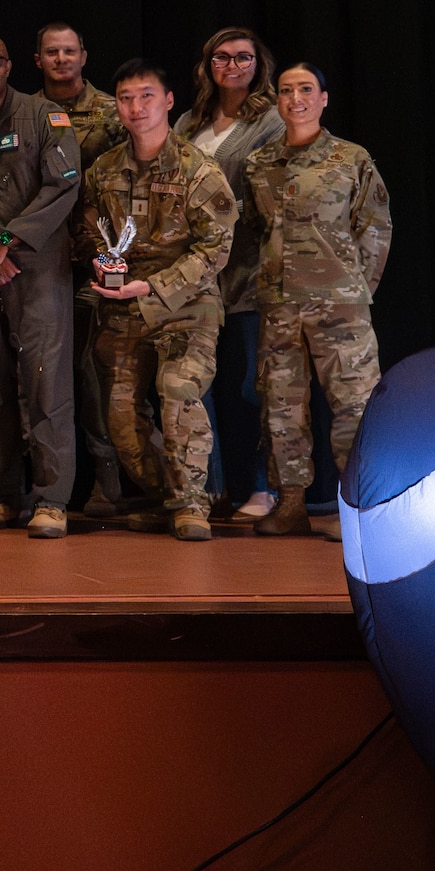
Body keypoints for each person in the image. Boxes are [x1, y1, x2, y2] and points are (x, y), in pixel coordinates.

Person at [76, 60, 236, 542]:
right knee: (121, 420)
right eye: (125, 98)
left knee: (178, 393)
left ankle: (191, 506)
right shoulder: (103, 170)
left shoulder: (198, 170)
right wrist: (100, 263)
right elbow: (88, 231)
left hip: (185, 307)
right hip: (121, 310)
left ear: (168, 102)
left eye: (146, 96)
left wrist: (153, 286)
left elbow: (217, 247)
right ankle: (170, 496)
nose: (135, 106)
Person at [244, 64, 392, 538]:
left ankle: (357, 511)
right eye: (286, 91)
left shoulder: (350, 158)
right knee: (281, 406)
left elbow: (375, 226)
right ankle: (290, 504)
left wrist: (355, 287)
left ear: (323, 98)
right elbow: (254, 232)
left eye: (305, 89)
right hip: (279, 305)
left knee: (355, 404)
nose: (295, 99)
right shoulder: (259, 163)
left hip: (339, 305)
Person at [0, 33, 82, 537]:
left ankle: (51, 501)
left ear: (9, 66)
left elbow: (64, 183)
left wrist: (5, 240)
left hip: (37, 269)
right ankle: (5, 495)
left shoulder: (45, 116)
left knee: (47, 382)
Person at [173, 27, 286, 521]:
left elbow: (271, 196)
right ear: (208, 64)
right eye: (222, 57)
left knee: (250, 385)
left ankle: (262, 488)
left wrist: (210, 213)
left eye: (243, 57)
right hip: (196, 277)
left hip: (246, 271)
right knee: (197, 385)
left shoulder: (273, 120)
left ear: (259, 64)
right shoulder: (187, 121)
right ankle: (210, 489)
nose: (233, 66)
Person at [36, 21, 131, 518]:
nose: (60, 60)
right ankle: (47, 483)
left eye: (69, 51)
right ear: (38, 60)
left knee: (95, 371)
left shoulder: (113, 114)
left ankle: (107, 475)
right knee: (48, 374)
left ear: (83, 55)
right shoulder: (28, 111)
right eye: (51, 52)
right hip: (44, 260)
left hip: (100, 257)